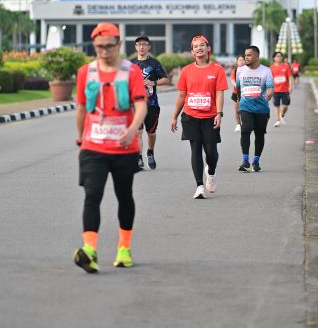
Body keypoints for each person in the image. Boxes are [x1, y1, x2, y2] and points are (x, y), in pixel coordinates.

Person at [74, 22, 147, 273]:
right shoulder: (86, 72)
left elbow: (141, 105)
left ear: (118, 45)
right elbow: (81, 108)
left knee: (124, 196)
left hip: (124, 148)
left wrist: (133, 129)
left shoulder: (131, 71)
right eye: (99, 47)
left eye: (109, 46)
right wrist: (79, 137)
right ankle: (90, 250)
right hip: (93, 146)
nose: (104, 51)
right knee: (92, 195)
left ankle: (124, 248)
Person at [170, 35, 228, 199]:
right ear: (192, 51)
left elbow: (219, 93)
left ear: (208, 49)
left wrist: (219, 113)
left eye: (202, 45)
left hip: (210, 116)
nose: (199, 48)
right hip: (190, 116)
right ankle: (199, 186)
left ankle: (211, 172)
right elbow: (182, 95)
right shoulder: (186, 71)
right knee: (195, 149)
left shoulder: (217, 69)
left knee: (211, 152)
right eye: (195, 46)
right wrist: (174, 116)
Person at [131, 36, 169, 169]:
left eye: (144, 44)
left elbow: (166, 79)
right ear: (135, 47)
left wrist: (153, 82)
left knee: (151, 133)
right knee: (138, 132)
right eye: (139, 44)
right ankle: (139, 158)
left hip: (151, 104)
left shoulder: (154, 63)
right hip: (135, 104)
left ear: (149, 47)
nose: (141, 47)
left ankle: (150, 152)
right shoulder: (130, 64)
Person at [236, 45, 274, 173]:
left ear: (257, 56)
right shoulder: (240, 70)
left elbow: (270, 87)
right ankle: (245, 161)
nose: (246, 57)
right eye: (245, 55)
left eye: (249, 55)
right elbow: (238, 88)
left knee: (259, 134)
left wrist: (269, 94)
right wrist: (239, 99)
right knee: (245, 130)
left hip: (261, 108)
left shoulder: (266, 71)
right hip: (245, 106)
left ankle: (256, 161)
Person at [270, 51, 293, 127]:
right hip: (275, 90)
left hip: (285, 90)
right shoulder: (271, 68)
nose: (279, 57)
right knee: (276, 106)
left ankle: (282, 114)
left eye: (280, 56)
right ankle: (277, 121)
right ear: (274, 58)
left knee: (285, 106)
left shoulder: (286, 66)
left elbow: (289, 77)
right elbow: (270, 79)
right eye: (277, 56)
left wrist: (290, 86)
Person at [230, 54, 245, 132]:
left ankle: (245, 123)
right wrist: (237, 85)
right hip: (236, 93)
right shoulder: (235, 71)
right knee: (237, 110)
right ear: (237, 62)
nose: (241, 62)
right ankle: (238, 124)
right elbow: (232, 80)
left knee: (245, 110)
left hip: (246, 94)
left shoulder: (248, 71)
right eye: (240, 60)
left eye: (243, 60)